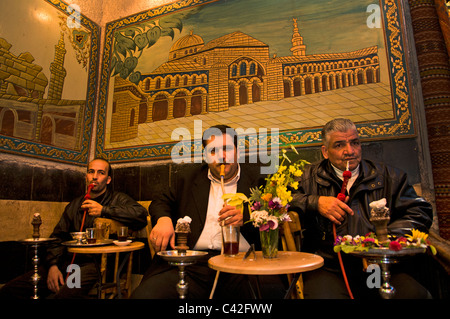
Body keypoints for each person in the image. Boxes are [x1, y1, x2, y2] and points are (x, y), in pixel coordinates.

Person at [131, 125, 284, 299]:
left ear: (238, 152)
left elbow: (280, 209)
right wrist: (164, 220)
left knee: (271, 293)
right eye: (213, 151)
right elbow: (161, 201)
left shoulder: (260, 178)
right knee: (146, 295)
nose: (221, 156)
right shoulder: (188, 177)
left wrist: (248, 216)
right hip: (194, 264)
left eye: (226, 149)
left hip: (245, 263)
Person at [290, 118, 433, 299]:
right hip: (330, 267)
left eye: (355, 143)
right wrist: (315, 202)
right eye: (339, 145)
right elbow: (281, 203)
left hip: (381, 265)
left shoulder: (390, 177)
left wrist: (383, 239)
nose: (350, 151)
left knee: (414, 294)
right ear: (325, 152)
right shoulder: (306, 178)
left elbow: (420, 212)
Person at [0, 158, 148, 299]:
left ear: (108, 180)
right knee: (11, 290)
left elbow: (141, 215)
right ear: (86, 176)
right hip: (66, 262)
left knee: (66, 295)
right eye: (91, 172)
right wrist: (53, 266)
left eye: (100, 173)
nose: (94, 177)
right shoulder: (75, 205)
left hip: (94, 265)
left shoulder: (118, 199)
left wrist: (104, 210)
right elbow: (57, 237)